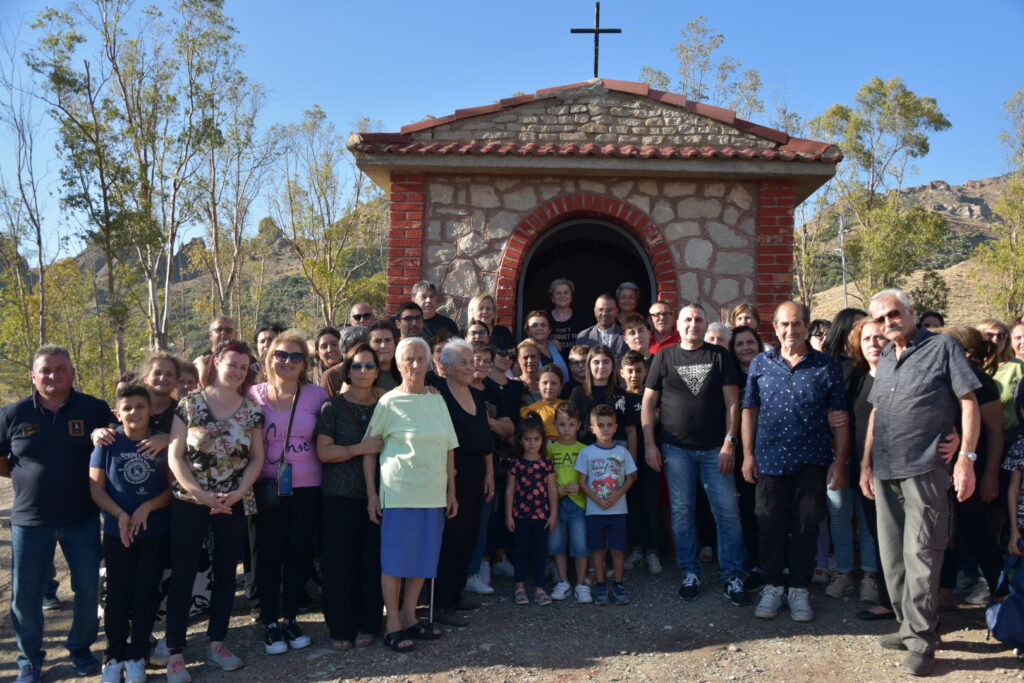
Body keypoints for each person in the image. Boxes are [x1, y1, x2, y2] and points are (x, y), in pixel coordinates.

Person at [861, 289, 980, 676]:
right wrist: (865, 463)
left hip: (926, 468)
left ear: (910, 312)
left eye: (892, 314)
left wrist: (966, 456)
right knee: (893, 557)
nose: (886, 323)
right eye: (878, 320)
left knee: (922, 556)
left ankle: (923, 642)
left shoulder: (943, 347)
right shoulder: (888, 359)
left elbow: (968, 402)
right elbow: (877, 414)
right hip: (885, 470)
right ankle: (909, 625)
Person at [0, 346, 113, 682]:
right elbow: (3, 460)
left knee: (88, 588)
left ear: (72, 372)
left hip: (83, 517)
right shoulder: (13, 413)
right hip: (30, 520)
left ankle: (80, 648)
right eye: (45, 370)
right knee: (26, 595)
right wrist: (28, 478)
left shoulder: (93, 408)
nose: (53, 375)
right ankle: (29, 660)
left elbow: (118, 440)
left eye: (60, 369)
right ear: (33, 376)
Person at [742, 301, 849, 624]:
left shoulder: (826, 366)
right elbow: (750, 410)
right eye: (784, 324)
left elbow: (840, 418)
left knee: (806, 526)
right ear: (774, 327)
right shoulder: (761, 363)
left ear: (806, 326)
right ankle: (773, 585)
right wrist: (747, 454)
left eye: (797, 324)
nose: (791, 330)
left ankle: (799, 587)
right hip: (769, 460)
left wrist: (840, 461)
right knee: (769, 525)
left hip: (811, 460)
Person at [165, 340, 265, 682]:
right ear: (217, 361)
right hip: (191, 502)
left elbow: (256, 458)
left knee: (225, 574)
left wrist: (237, 493)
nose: (237, 372)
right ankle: (175, 651)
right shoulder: (190, 404)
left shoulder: (252, 410)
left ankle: (217, 642)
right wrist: (201, 495)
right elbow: (175, 456)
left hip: (233, 502)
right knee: (183, 574)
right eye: (231, 364)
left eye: (243, 366)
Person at [642, 303, 747, 606]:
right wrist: (650, 444)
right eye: (687, 319)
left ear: (705, 324)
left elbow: (732, 403)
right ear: (678, 324)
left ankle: (732, 575)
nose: (693, 324)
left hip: (716, 450)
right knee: (682, 512)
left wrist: (730, 442)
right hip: (676, 451)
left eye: (698, 320)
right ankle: (690, 572)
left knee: (727, 513)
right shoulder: (664, 356)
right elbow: (649, 404)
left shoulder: (720, 356)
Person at [364, 336, 458, 653]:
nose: (415, 365)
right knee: (394, 561)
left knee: (422, 559)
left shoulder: (437, 399)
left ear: (429, 363)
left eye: (420, 358)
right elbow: (369, 450)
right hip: (399, 492)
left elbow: (448, 448)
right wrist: (371, 495)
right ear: (398, 364)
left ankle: (409, 617)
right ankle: (392, 622)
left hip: (433, 493)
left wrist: (451, 491)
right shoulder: (388, 402)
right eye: (409, 359)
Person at [247, 331, 327, 655]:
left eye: (296, 357)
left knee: (298, 553)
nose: (287, 361)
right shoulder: (253, 395)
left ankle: (291, 617)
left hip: (308, 486)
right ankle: (269, 622)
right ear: (269, 358)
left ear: (305, 363)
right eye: (281, 354)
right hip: (266, 488)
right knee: (268, 555)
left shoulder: (317, 396)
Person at [89, 383, 171, 683]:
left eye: (140, 406)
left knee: (146, 593)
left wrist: (147, 507)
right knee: (117, 595)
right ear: (117, 414)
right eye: (127, 408)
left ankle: (138, 653)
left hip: (153, 532)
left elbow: (173, 488)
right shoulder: (107, 444)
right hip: (116, 532)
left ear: (150, 410)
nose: (134, 412)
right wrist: (120, 514)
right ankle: (113, 655)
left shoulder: (161, 443)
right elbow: (96, 488)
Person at [315, 343, 385, 650]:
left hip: (379, 496)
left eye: (370, 366)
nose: (363, 371)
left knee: (371, 563)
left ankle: (369, 623)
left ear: (378, 371)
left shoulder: (386, 403)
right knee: (339, 564)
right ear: (347, 369)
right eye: (357, 366)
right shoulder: (332, 407)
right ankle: (341, 627)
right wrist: (359, 449)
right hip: (339, 496)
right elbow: (324, 451)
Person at [936, 327, 1004, 611]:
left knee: (978, 531)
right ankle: (945, 593)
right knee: (946, 533)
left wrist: (989, 474)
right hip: (943, 470)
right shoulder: (942, 378)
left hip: (974, 469)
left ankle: (1003, 596)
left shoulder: (982, 383)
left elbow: (997, 433)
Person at [434, 339, 495, 627]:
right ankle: (441, 603)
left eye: (472, 360)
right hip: (451, 477)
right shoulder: (438, 395)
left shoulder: (478, 396)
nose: (471, 366)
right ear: (445, 368)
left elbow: (486, 441)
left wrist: (490, 473)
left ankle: (456, 595)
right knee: (450, 538)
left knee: (469, 536)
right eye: (464, 362)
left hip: (477, 477)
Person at [846, 318, 895, 620]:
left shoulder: (901, 376)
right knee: (879, 535)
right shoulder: (856, 380)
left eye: (879, 338)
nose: (873, 345)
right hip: (864, 471)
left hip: (897, 468)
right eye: (867, 339)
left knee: (902, 537)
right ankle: (889, 600)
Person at [576, 404, 638, 606]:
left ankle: (618, 584)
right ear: (592, 428)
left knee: (618, 550)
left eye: (608, 425)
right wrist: (598, 500)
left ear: (615, 427)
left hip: (618, 510)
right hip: (594, 511)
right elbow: (582, 482)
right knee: (597, 550)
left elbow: (631, 477)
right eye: (600, 425)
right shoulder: (586, 453)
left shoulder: (622, 452)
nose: (605, 429)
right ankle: (601, 585)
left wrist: (618, 493)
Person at [505, 415, 558, 606]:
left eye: (536, 439)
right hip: (520, 515)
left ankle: (539, 588)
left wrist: (553, 514)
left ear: (542, 439)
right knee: (520, 551)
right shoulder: (516, 463)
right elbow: (510, 489)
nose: (532, 443)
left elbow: (552, 489)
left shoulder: (546, 463)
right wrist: (508, 514)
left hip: (541, 515)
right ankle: (519, 587)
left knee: (539, 552)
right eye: (527, 439)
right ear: (521, 439)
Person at [727, 325, 764, 586]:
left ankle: (776, 563)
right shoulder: (730, 379)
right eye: (740, 344)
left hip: (771, 449)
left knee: (770, 510)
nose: (746, 348)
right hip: (739, 452)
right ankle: (753, 564)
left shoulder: (771, 372)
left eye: (750, 342)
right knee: (747, 509)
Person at [620, 350, 662, 575]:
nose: (634, 375)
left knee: (651, 504)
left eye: (638, 370)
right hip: (628, 461)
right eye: (630, 371)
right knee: (632, 506)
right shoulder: (620, 397)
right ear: (622, 374)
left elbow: (658, 419)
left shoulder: (653, 395)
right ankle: (636, 550)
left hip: (651, 459)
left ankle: (652, 551)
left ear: (646, 371)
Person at [546, 402, 590, 603]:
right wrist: (557, 490)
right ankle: (563, 582)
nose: (566, 429)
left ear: (579, 425)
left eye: (571, 424)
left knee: (580, 545)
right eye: (562, 424)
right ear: (555, 424)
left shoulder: (585, 450)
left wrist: (580, 487)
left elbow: (590, 478)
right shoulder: (550, 450)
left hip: (579, 504)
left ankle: (581, 584)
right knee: (558, 545)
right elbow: (546, 478)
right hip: (556, 504)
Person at [569, 345, 631, 450]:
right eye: (596, 362)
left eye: (606, 362)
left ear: (612, 367)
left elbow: (630, 430)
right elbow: (570, 425)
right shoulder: (578, 393)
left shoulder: (622, 393)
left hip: (618, 450)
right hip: (587, 448)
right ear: (589, 366)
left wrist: (632, 460)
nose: (601, 366)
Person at [978, 318, 1024, 442]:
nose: (995, 339)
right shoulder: (972, 367)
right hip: (979, 437)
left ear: (1007, 339)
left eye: (1001, 335)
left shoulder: (1019, 367)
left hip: (1012, 437)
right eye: (989, 335)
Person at [520, 365, 567, 439]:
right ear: (538, 384)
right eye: (545, 383)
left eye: (554, 383)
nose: (549, 387)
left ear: (561, 386)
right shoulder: (531, 410)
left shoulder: (568, 407)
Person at [194, 316, 237, 387]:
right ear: (210, 335)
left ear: (235, 335)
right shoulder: (201, 361)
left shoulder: (244, 360)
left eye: (228, 330)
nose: (223, 333)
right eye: (219, 329)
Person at [524, 309, 569, 377]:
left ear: (549, 330)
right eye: (534, 325)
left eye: (543, 325)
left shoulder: (556, 347)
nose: (539, 328)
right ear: (528, 331)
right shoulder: (523, 351)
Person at [549, 278, 590, 350]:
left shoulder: (583, 319)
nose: (562, 296)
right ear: (552, 298)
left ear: (571, 297)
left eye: (566, 292)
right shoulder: (545, 319)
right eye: (558, 293)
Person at [514, 339, 544, 404]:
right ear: (518, 360)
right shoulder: (513, 385)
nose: (530, 361)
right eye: (525, 357)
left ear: (539, 357)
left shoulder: (547, 383)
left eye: (533, 357)